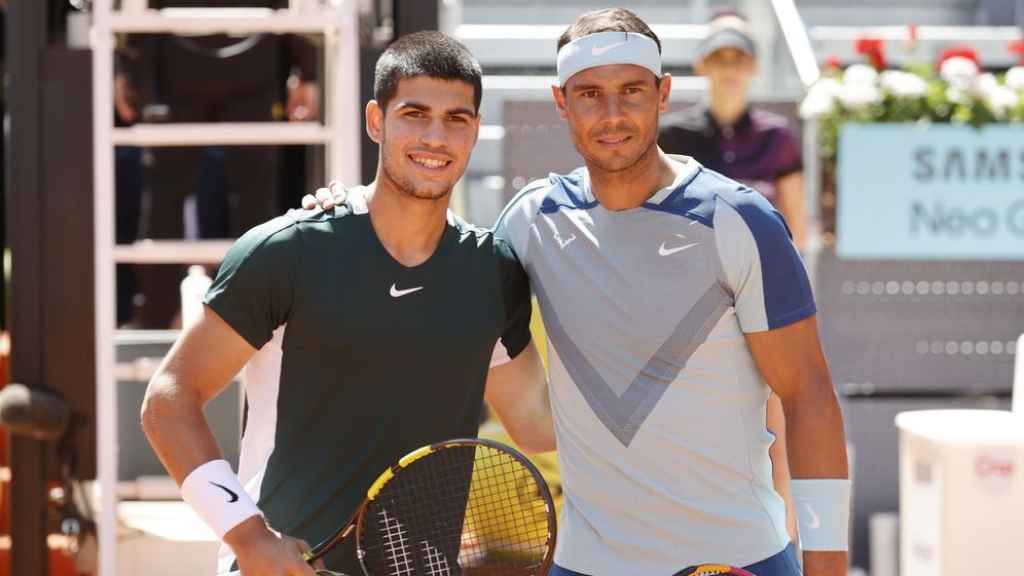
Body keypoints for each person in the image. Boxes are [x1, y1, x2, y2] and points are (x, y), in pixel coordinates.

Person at [308, 9, 850, 576]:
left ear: (663, 94)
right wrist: (349, 212)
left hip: (741, 560)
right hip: (584, 564)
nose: (612, 114)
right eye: (589, 93)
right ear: (560, 101)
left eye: (632, 91)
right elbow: (426, 259)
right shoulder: (529, 222)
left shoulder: (742, 221)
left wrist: (828, 563)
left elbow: (808, 393)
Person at [141, 31, 551, 576]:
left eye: (457, 118)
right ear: (376, 120)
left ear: (475, 130)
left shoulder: (492, 271)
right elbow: (168, 401)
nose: (436, 136)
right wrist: (250, 538)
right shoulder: (287, 251)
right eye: (414, 113)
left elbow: (538, 425)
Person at [658, 10, 808, 249]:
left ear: (754, 65)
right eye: (719, 58)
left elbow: (797, 228)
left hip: (760, 266)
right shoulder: (671, 135)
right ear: (702, 64)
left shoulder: (776, 136)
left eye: (739, 58)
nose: (730, 69)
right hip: (691, 267)